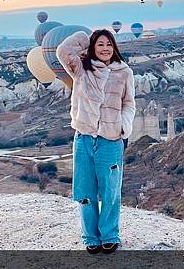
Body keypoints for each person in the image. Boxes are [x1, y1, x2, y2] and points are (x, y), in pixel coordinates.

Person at [56, 29, 135, 254]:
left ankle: (110, 234)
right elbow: (63, 51)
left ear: (115, 47)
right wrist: (86, 36)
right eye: (100, 44)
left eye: (109, 44)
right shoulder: (81, 69)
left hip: (111, 140)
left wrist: (123, 126)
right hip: (84, 138)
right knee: (85, 190)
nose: (105, 48)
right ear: (92, 47)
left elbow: (129, 103)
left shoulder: (124, 72)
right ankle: (90, 236)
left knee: (110, 191)